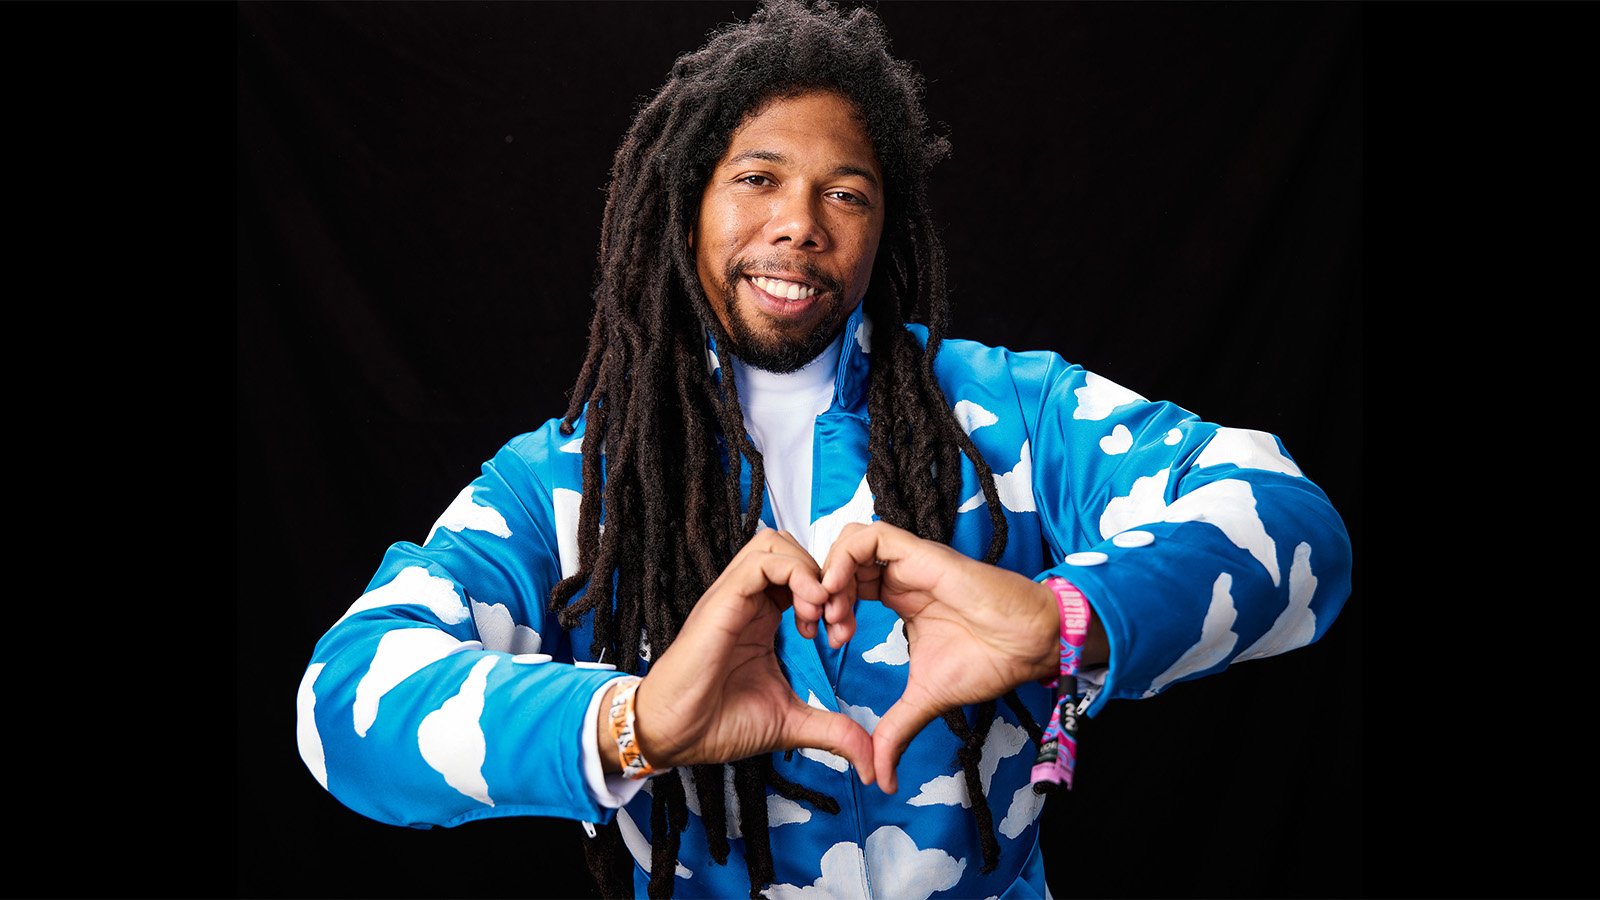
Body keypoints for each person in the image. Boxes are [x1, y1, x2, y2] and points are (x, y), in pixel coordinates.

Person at [292, 1, 1353, 897]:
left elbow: (1292, 522)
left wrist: (1063, 621)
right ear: (685, 203)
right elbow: (341, 707)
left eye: (845, 193)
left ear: (884, 227)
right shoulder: (566, 479)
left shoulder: (1010, 412)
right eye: (756, 178)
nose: (801, 222)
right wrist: (635, 722)